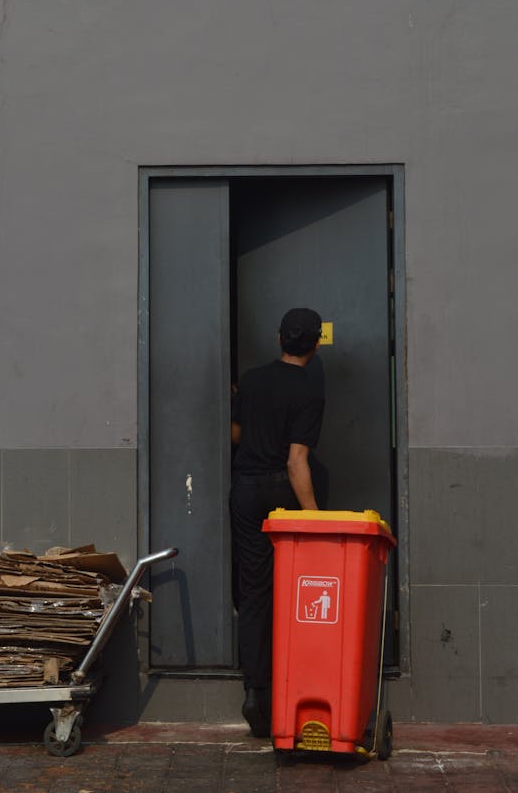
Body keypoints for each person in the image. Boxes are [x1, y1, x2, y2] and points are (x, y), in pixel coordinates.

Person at [230, 307, 325, 737]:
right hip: (282, 498)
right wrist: (315, 518)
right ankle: (296, 687)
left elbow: (235, 434)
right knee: (295, 592)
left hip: (246, 490)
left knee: (254, 592)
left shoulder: (250, 380)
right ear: (316, 343)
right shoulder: (310, 390)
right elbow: (296, 461)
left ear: (278, 338)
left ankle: (255, 692)